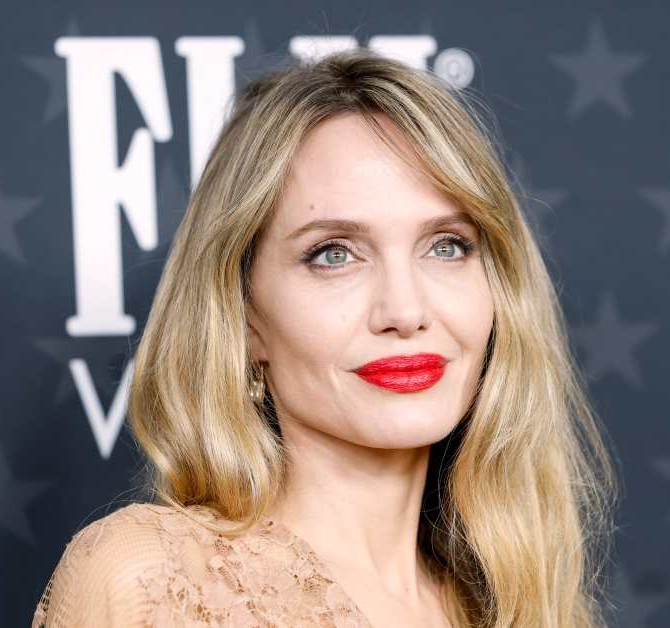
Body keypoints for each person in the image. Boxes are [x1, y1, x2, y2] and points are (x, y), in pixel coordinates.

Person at [30, 47, 618, 627]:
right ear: (243, 316)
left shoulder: (527, 605)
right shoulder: (153, 580)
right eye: (334, 254)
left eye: (446, 246)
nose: (405, 311)